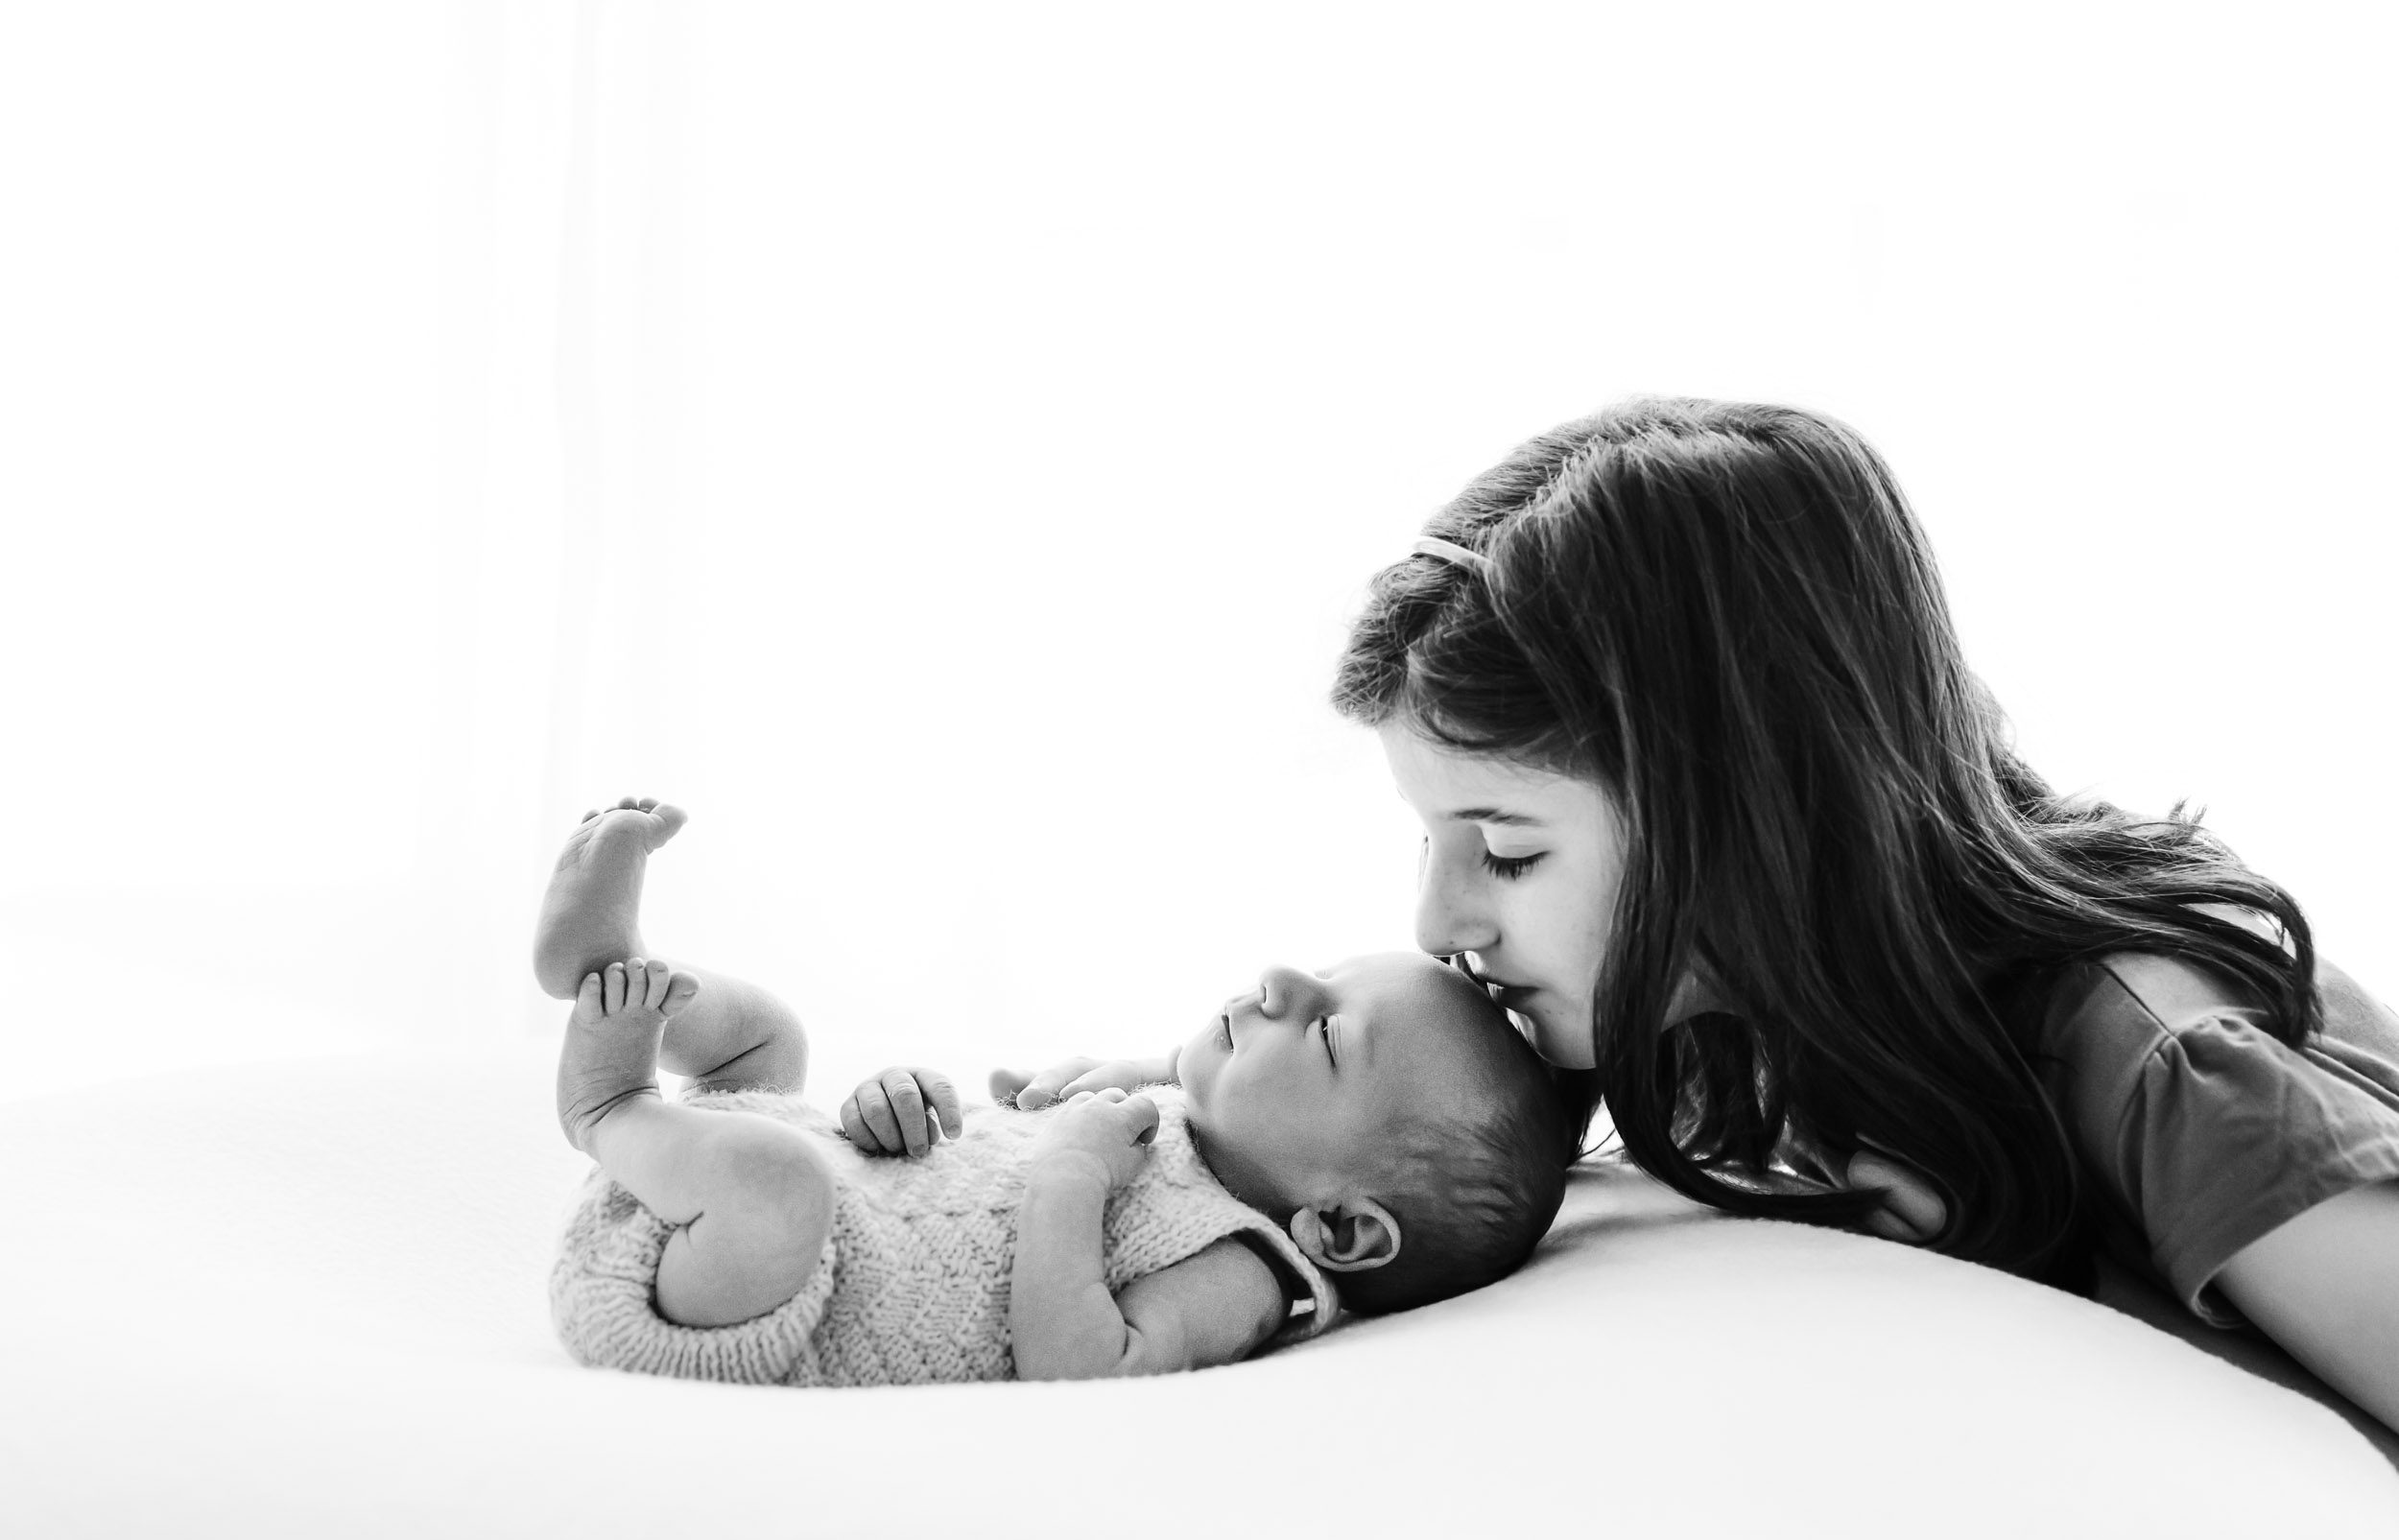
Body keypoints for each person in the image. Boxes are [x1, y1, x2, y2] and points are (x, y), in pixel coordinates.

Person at [1319, 395, 2399, 1434]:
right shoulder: (1738, 1028)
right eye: (1430, 838)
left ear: (1755, 812)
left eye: (1508, 851)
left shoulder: (2165, 1070)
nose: (1434, 918)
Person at [534, 799, 1570, 1386]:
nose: (1284, 982)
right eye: (1324, 973)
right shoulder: (1165, 1108)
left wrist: (1071, 1177)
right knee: (772, 1042)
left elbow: (1086, 1365)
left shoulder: (1246, 1264)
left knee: (776, 1182)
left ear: (1341, 1224)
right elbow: (973, 1145)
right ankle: (625, 971)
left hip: (741, 1297)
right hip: (754, 1175)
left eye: (1329, 1029)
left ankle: (606, 1107)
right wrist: (905, 1109)